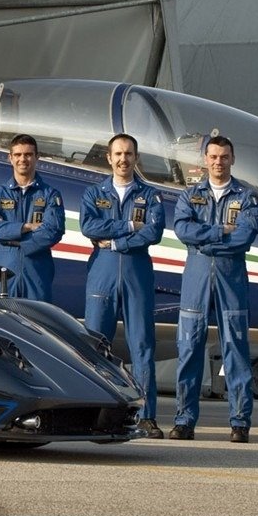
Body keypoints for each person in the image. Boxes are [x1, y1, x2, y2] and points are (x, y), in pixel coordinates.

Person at [169, 135, 258, 442]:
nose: (218, 162)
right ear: (205, 160)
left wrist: (206, 241)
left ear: (232, 159)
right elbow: (183, 230)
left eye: (224, 157)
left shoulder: (245, 197)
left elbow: (245, 237)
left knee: (236, 348)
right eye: (213, 157)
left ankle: (240, 422)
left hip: (231, 276)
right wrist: (221, 230)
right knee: (189, 348)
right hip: (196, 277)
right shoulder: (190, 195)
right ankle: (184, 420)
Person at [80, 133, 166, 439]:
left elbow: (153, 232)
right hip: (102, 270)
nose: (123, 159)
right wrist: (129, 225)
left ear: (136, 157)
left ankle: (146, 416)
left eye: (128, 154)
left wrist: (116, 242)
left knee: (142, 344)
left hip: (136, 271)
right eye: (118, 154)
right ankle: (95, 411)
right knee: (95, 343)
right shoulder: (94, 193)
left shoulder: (150, 195)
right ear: (109, 157)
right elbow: (89, 226)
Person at [0, 134, 64, 300]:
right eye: (18, 154)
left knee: (36, 315)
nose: (22, 159)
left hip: (37, 269)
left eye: (28, 154)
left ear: (37, 157)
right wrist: (26, 227)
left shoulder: (50, 194)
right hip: (3, 266)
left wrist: (15, 240)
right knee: (1, 314)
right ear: (10, 158)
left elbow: (53, 231)